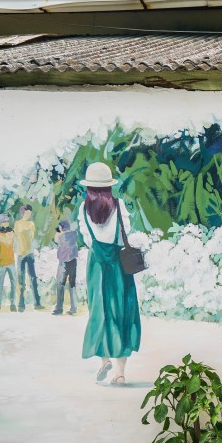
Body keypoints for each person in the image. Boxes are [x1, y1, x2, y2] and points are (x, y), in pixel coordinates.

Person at [78, 162, 141, 386]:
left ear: (89, 188)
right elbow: (127, 234)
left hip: (96, 265)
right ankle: (120, 373)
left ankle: (104, 360)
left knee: (100, 310)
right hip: (118, 265)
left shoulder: (83, 208)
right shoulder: (119, 205)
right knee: (122, 312)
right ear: (108, 187)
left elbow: (87, 239)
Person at [14, 204, 43, 311]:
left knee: (33, 278)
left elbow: (31, 236)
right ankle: (21, 304)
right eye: (27, 213)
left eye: (30, 213)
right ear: (23, 213)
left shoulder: (31, 224)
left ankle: (37, 302)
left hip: (29, 253)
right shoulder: (17, 224)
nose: (28, 215)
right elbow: (16, 237)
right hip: (21, 254)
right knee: (21, 279)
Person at [0, 214, 17, 312]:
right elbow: (6, 241)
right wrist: (5, 237)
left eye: (6, 221)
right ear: (0, 223)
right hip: (0, 262)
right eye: (3, 222)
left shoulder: (11, 232)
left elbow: (8, 242)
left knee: (14, 283)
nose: (5, 223)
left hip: (10, 261)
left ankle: (13, 304)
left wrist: (4, 237)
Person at [53, 219, 79, 316]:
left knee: (60, 285)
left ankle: (59, 308)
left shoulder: (61, 236)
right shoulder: (75, 234)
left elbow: (56, 239)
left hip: (63, 262)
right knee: (72, 284)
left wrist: (58, 232)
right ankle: (73, 307)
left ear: (61, 227)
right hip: (73, 261)